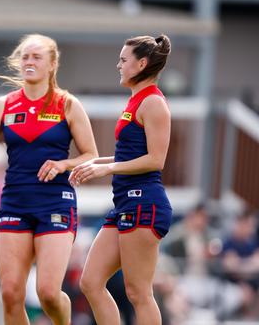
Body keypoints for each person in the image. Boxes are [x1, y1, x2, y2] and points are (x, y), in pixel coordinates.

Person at [0, 34, 98, 325]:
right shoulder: (4, 106)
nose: (29, 62)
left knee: (47, 292)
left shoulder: (67, 105)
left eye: (36, 57)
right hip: (15, 203)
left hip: (54, 203)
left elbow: (90, 155)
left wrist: (64, 164)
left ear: (52, 64)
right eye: (25, 57)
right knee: (10, 293)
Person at [70, 35, 173, 325]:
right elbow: (129, 154)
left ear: (142, 64)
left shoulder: (153, 102)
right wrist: (96, 163)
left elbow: (156, 160)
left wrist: (108, 169)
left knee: (139, 292)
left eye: (123, 60)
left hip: (145, 203)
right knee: (90, 282)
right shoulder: (136, 100)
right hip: (126, 203)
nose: (118, 65)